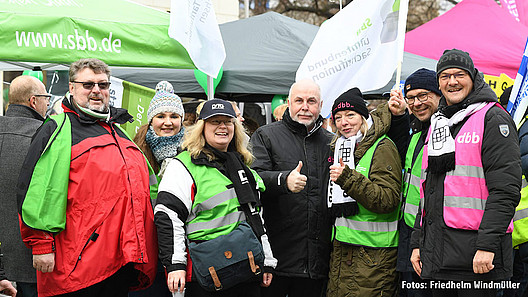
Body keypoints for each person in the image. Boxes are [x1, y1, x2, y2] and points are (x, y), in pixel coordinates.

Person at [17, 58, 158, 297]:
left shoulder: (118, 130)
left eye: (103, 85)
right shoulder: (58, 128)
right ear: (71, 88)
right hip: (79, 266)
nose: (96, 91)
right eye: (88, 84)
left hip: (121, 261)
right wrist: (41, 244)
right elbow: (35, 190)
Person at [410, 49, 521, 297]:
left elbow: (505, 191)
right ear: (438, 83)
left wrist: (487, 246)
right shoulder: (439, 123)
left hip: (477, 258)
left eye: (459, 74)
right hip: (439, 254)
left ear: (472, 76)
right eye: (445, 76)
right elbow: (427, 191)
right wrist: (418, 243)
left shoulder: (492, 118)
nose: (452, 82)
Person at [154, 98, 276, 296]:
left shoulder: (242, 165)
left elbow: (256, 216)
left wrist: (268, 260)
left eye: (228, 121)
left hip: (246, 265)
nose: (222, 126)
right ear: (202, 127)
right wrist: (176, 264)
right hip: (207, 271)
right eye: (214, 121)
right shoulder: (182, 165)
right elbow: (168, 217)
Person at [250, 79, 333, 297]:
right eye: (299, 100)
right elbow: (253, 177)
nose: (305, 107)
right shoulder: (266, 135)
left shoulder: (332, 142)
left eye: (311, 101)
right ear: (289, 103)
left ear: (321, 105)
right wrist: (283, 180)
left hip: (317, 261)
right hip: (278, 257)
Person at [326, 88, 402, 297]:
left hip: (374, 257)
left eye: (351, 115)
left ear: (364, 117)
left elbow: (388, 200)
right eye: (338, 118)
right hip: (344, 251)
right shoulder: (341, 147)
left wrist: (348, 178)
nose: (344, 122)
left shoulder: (382, 147)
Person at [388, 68, 440, 297]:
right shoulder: (418, 133)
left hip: (432, 237)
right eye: (411, 98)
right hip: (411, 232)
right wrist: (399, 117)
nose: (417, 103)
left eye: (423, 96)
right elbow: (402, 149)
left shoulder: (445, 131)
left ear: (439, 95)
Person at [131, 81, 184, 297]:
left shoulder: (193, 152)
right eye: (161, 116)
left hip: (182, 248)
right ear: (151, 120)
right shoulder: (136, 153)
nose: (168, 122)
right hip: (147, 248)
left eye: (174, 116)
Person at [0, 75, 49, 297]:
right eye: (46, 97)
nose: (48, 103)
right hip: (31, 258)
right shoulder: (47, 137)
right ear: (33, 101)